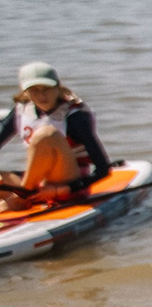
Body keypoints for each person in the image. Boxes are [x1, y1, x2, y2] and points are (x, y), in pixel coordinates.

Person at [3, 63, 112, 205]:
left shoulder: (75, 116)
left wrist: (60, 190)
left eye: (47, 88)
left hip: (69, 186)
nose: (42, 95)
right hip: (38, 184)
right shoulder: (20, 112)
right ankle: (22, 198)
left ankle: (22, 198)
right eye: (34, 90)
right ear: (25, 92)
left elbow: (103, 169)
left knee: (46, 134)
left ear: (58, 87)